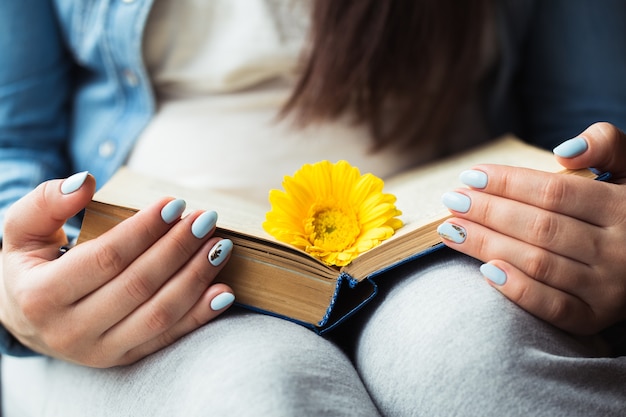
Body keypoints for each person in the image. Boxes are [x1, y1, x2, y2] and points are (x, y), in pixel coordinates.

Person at [1, 0, 625, 415]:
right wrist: (14, 287)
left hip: (440, 238)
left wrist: (604, 221)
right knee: (258, 393)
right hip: (154, 265)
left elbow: (590, 122)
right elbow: (10, 144)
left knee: (481, 364)